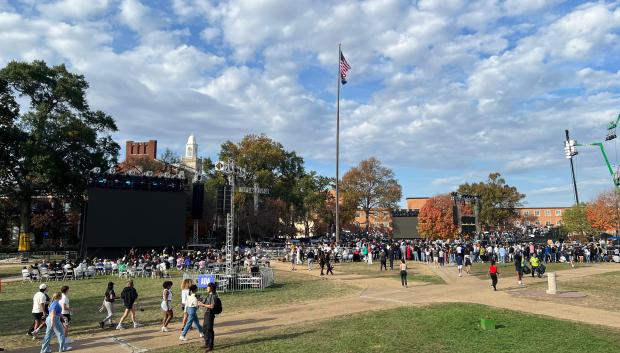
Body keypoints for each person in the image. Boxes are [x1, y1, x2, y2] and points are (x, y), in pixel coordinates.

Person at [200, 282, 219, 352]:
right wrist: (201, 303)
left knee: (209, 329)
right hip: (206, 313)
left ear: (211, 288)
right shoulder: (209, 295)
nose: (206, 288)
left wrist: (203, 305)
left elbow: (212, 306)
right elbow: (206, 303)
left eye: (208, 287)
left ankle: (210, 346)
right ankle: (207, 343)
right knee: (204, 329)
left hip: (210, 314)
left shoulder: (214, 296)